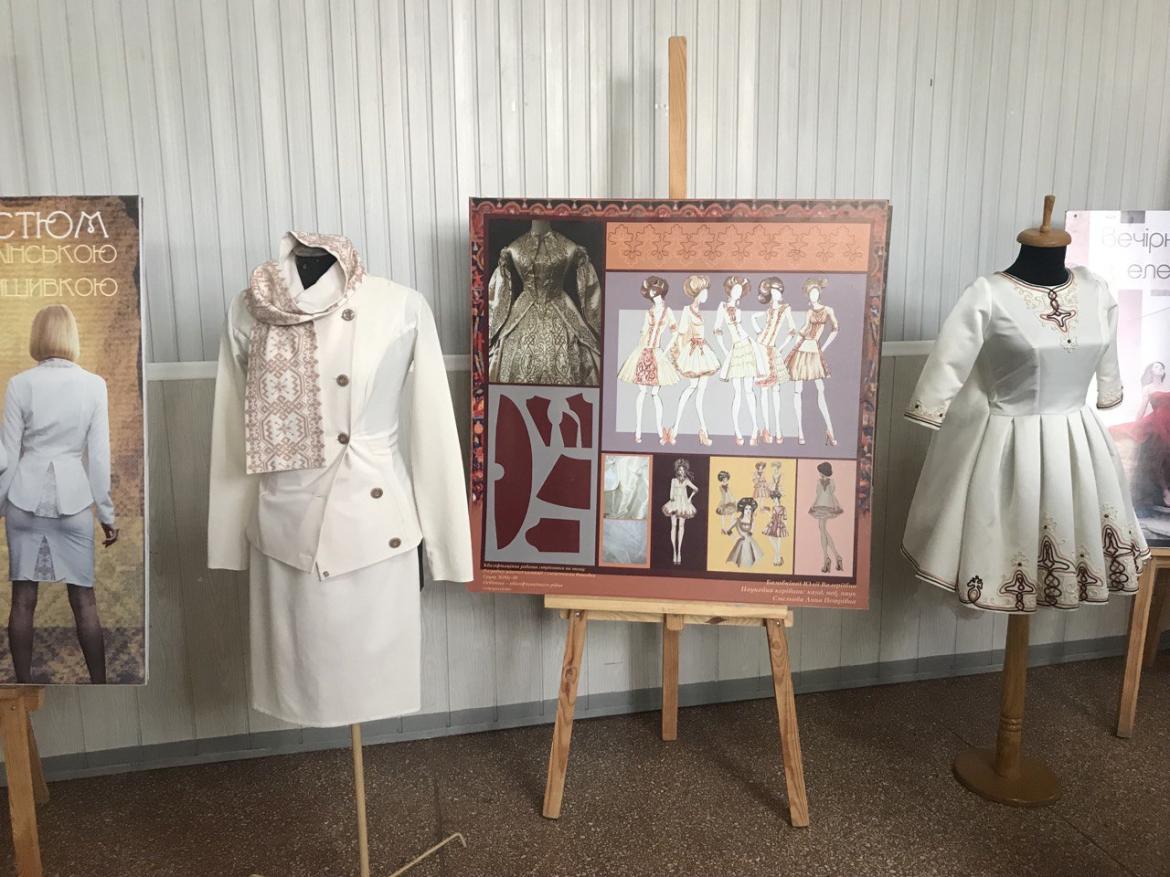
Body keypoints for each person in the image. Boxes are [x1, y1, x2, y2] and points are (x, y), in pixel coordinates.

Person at [0, 305, 117, 683]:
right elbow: (98, 458)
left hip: (24, 500)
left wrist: (0, 506)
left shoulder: (19, 384)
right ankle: (99, 682)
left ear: (37, 336)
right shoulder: (94, 385)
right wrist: (107, 514)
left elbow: (6, 456)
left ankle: (23, 684)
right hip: (74, 503)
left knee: (22, 601)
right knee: (84, 601)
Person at [617, 275, 679, 444]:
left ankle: (659, 429)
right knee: (642, 392)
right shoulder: (649, 312)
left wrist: (665, 351)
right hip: (643, 351)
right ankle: (638, 429)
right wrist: (641, 352)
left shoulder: (668, 311)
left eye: (655, 290)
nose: (653, 294)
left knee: (655, 393)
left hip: (657, 352)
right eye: (650, 291)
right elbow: (643, 331)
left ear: (660, 291)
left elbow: (675, 333)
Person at [667, 275, 722, 446]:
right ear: (698, 293)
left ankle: (703, 431)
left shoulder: (699, 312)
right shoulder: (687, 310)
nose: (707, 295)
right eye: (705, 292)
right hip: (693, 353)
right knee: (692, 387)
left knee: (700, 394)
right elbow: (682, 333)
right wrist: (677, 352)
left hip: (703, 352)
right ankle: (675, 428)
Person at [661, 459, 699, 565]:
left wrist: (689, 498)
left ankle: (679, 552)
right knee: (673, 526)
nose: (681, 471)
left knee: (681, 526)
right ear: (677, 471)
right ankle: (674, 551)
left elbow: (696, 489)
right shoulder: (673, 480)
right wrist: (672, 498)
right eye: (679, 470)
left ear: (685, 471)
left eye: (682, 470)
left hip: (683, 505)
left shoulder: (686, 481)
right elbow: (671, 493)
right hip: (674, 504)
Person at [809, 461, 844, 573]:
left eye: (820, 471)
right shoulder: (830, 481)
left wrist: (813, 505)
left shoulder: (821, 482)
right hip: (827, 504)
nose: (819, 473)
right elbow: (830, 494)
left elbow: (819, 494)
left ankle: (827, 559)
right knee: (822, 529)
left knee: (822, 529)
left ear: (822, 471)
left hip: (822, 505)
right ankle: (836, 557)